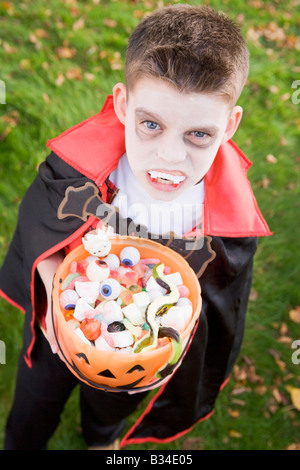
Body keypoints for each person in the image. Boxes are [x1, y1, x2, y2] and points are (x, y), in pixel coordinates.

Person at [0, 4, 272, 450]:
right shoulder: (81, 169)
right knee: (33, 408)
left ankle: (101, 442)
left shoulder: (226, 222)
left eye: (198, 135)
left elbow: (217, 304)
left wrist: (159, 348)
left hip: (137, 355)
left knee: (107, 413)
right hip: (62, 322)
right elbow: (40, 222)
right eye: (151, 125)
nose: (169, 157)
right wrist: (53, 289)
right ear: (124, 105)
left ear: (229, 126)